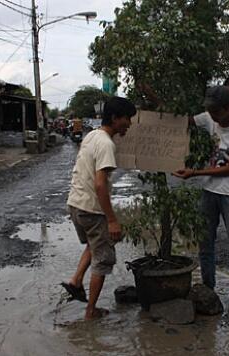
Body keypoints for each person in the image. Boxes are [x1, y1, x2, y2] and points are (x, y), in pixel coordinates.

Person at [173, 85, 229, 310]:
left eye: (216, 111)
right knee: (205, 242)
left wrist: (194, 173)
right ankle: (208, 287)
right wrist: (152, 96)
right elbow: (184, 121)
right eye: (209, 111)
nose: (212, 116)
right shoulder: (209, 119)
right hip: (208, 191)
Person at [62, 96, 136, 320]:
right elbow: (100, 184)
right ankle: (91, 311)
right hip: (91, 209)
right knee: (103, 260)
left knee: (95, 245)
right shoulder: (106, 143)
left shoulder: (92, 136)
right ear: (115, 118)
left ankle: (75, 280)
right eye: (127, 119)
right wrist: (112, 219)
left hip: (75, 203)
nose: (129, 124)